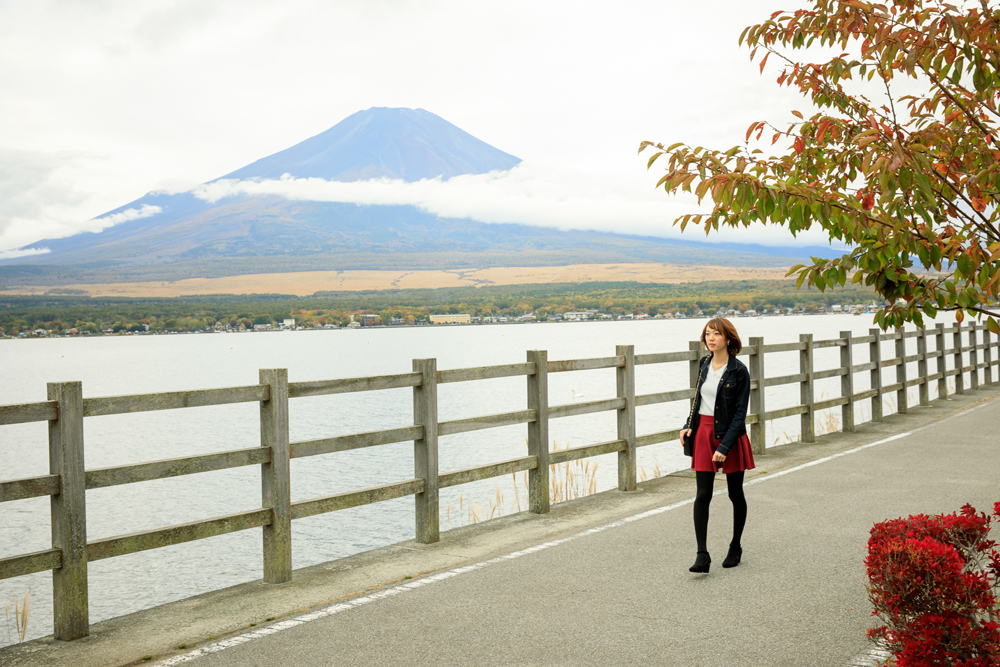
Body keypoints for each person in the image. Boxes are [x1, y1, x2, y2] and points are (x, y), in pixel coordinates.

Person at [678, 318, 755, 573]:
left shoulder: (739, 371)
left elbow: (740, 413)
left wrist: (724, 447)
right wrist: (688, 424)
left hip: (729, 435)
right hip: (703, 433)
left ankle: (735, 546)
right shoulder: (703, 365)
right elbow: (698, 401)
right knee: (702, 495)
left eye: (717, 334)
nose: (711, 338)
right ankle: (702, 554)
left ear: (728, 338)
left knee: (735, 494)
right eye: (708, 334)